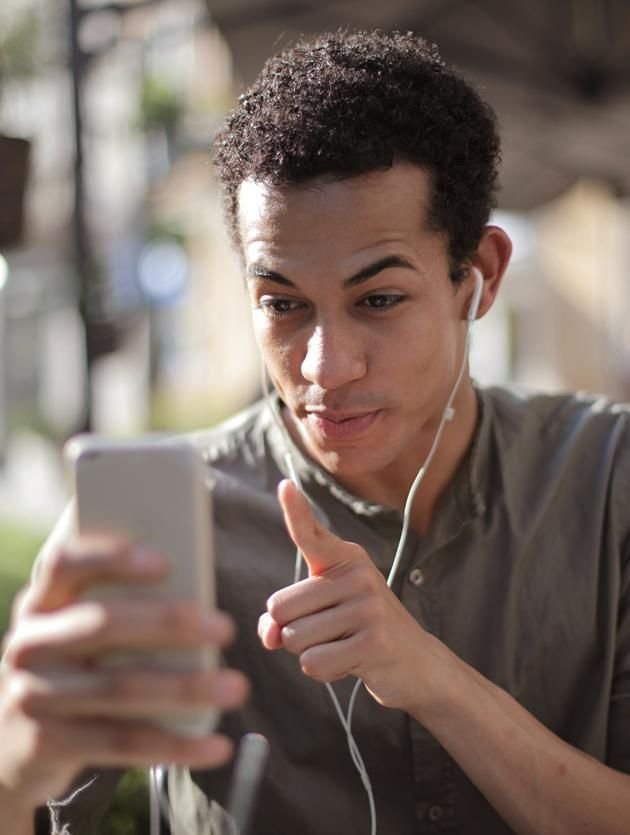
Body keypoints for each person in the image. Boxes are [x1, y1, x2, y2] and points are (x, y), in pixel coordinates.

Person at [1, 29, 629, 835]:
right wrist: (17, 768)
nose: (325, 368)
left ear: (479, 276)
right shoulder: (161, 520)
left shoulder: (607, 480)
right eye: (282, 303)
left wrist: (431, 677)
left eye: (378, 300)